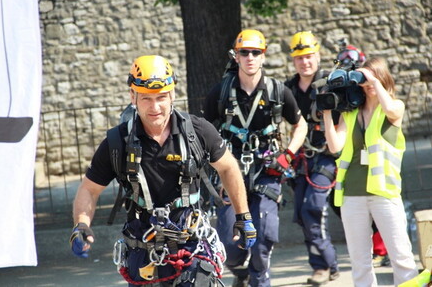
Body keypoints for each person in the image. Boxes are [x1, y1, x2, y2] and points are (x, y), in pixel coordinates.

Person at [70, 55, 257, 287]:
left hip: (192, 245)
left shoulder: (198, 132)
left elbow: (228, 167)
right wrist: (81, 224)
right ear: (132, 97)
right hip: (142, 251)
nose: (155, 107)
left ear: (173, 95)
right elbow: (89, 189)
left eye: (161, 98)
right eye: (146, 99)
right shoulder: (117, 142)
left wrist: (243, 216)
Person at [203, 29, 308, 287]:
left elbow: (301, 125)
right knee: (230, 244)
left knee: (264, 238)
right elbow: (202, 131)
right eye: (244, 52)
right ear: (236, 56)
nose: (250, 57)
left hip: (267, 170)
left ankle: (260, 280)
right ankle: (243, 273)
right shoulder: (221, 92)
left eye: (255, 52)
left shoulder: (277, 91)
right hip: (229, 172)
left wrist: (288, 155)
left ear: (263, 56)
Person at [323, 57, 418, 286]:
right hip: (351, 195)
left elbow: (391, 110)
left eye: (370, 80)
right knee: (360, 261)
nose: (365, 85)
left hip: (384, 193)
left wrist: (374, 81)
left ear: (382, 78)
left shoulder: (394, 107)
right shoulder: (351, 113)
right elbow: (335, 146)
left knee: (401, 257)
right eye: (362, 81)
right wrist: (326, 113)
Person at [283, 31, 340, 285]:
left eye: (309, 57)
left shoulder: (332, 83)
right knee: (300, 214)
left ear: (317, 56)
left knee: (313, 209)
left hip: (327, 156)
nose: (305, 62)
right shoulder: (288, 89)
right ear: (294, 61)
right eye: (300, 58)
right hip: (301, 159)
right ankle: (323, 265)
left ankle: (328, 262)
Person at [336, 43, 390, 268]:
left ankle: (380, 249)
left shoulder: (383, 101)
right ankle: (372, 245)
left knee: (382, 216)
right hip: (351, 167)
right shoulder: (350, 96)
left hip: (382, 176)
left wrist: (371, 80)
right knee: (338, 204)